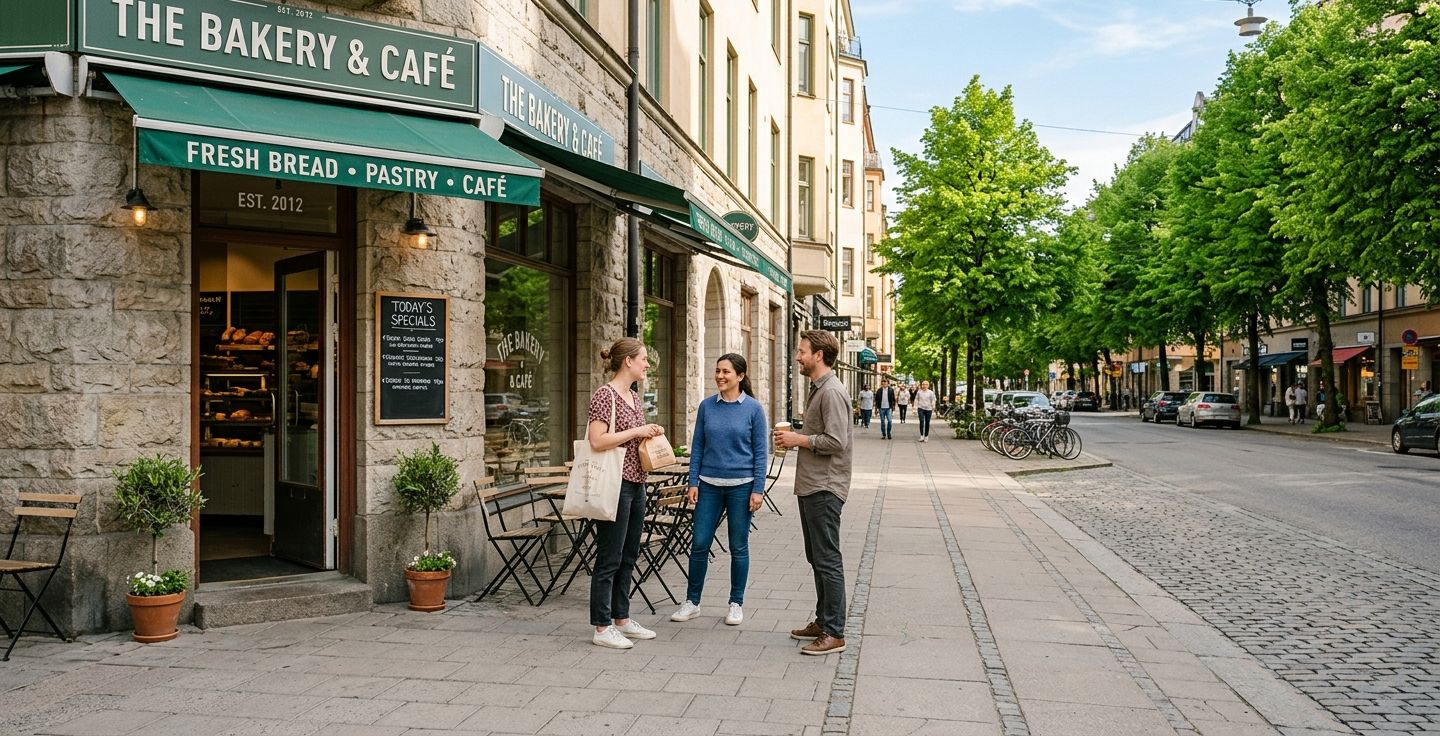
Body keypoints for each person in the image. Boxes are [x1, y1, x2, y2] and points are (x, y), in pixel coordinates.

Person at [671, 353, 768, 627]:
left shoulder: (753, 409)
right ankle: (692, 602)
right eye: (717, 371)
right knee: (699, 543)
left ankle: (736, 603)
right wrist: (693, 482)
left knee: (738, 546)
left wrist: (758, 489)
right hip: (709, 485)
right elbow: (698, 446)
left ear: (740, 376)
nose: (720, 376)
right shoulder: (706, 407)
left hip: (742, 487)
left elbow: (761, 453)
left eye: (726, 372)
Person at [773, 330, 852, 656]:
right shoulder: (819, 389)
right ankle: (823, 621)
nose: (798, 356)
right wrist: (800, 437)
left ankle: (834, 632)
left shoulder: (831, 392)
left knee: (827, 559)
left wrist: (799, 440)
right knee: (817, 557)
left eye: (802, 350)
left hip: (824, 486)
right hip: (813, 485)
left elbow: (836, 442)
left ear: (818, 355)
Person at [587, 338, 667, 649]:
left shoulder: (633, 397)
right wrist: (636, 432)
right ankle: (602, 627)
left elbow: (633, 438)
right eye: (643, 359)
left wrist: (650, 431)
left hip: (637, 482)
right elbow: (597, 440)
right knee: (609, 557)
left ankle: (622, 618)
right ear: (628, 362)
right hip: (614, 484)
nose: (647, 364)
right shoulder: (605, 395)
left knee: (629, 555)